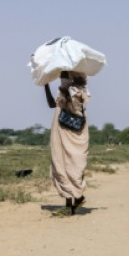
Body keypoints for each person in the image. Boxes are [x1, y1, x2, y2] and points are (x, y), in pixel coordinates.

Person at [43, 71, 90, 215]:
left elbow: (75, 107)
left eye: (64, 78)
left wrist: (65, 91)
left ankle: (77, 197)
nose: (62, 80)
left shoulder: (78, 92)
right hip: (61, 130)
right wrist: (46, 85)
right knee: (61, 162)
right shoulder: (63, 91)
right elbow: (52, 104)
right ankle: (70, 203)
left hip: (75, 132)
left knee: (74, 163)